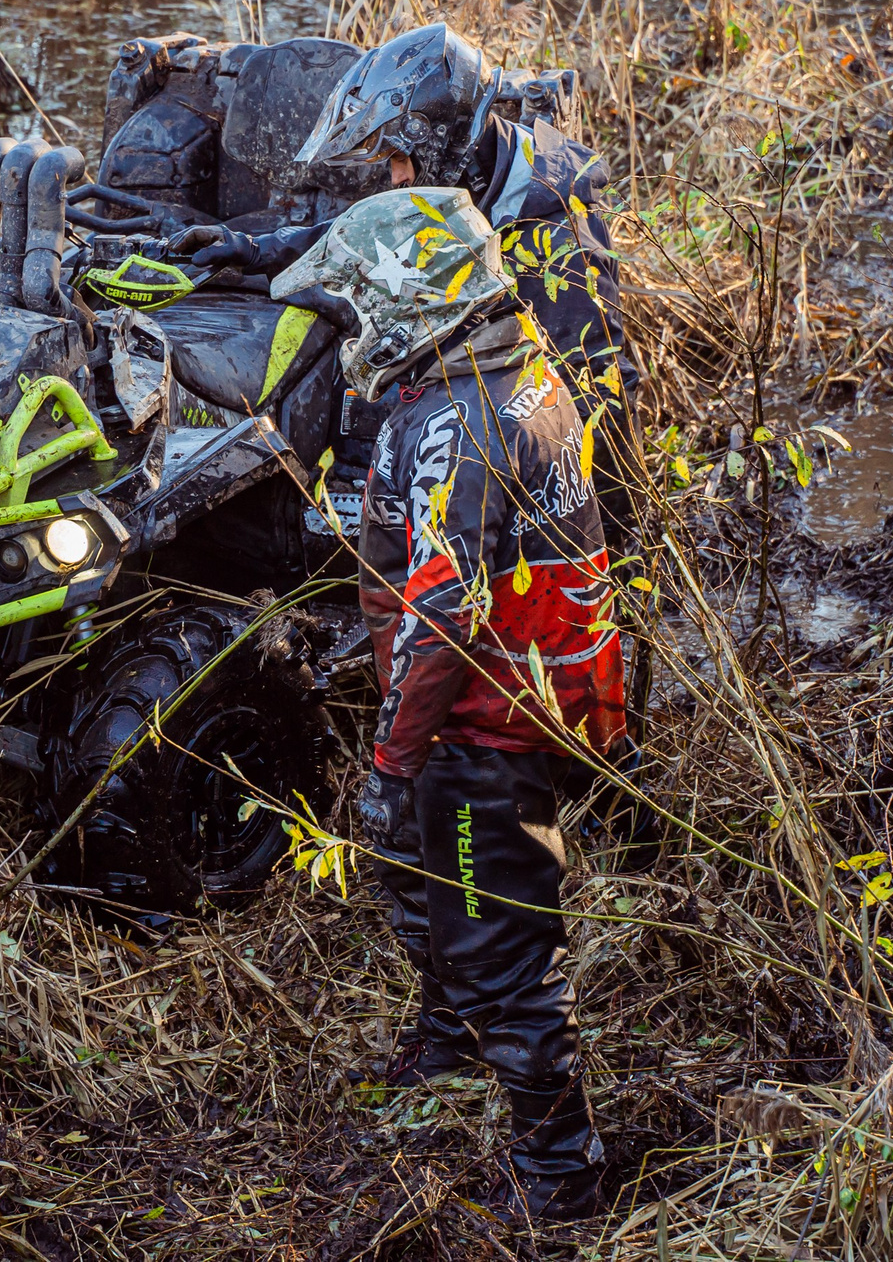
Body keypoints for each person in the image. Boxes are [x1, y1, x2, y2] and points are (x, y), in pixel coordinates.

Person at [270, 187, 625, 1227]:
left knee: (502, 953)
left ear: (410, 298)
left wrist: (389, 760)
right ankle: (449, 1040)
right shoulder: (512, 372)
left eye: (359, 304)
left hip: (488, 718)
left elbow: (443, 612)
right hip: (535, 691)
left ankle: (560, 1176)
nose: (352, 326)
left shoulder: (456, 424)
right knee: (422, 874)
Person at [172, 23, 641, 567]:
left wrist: (604, 553)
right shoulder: (466, 177)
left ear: (441, 138)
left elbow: (600, 394)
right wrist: (254, 250)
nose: (394, 176)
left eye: (398, 157)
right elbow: (367, 234)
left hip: (532, 497)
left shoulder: (554, 235)